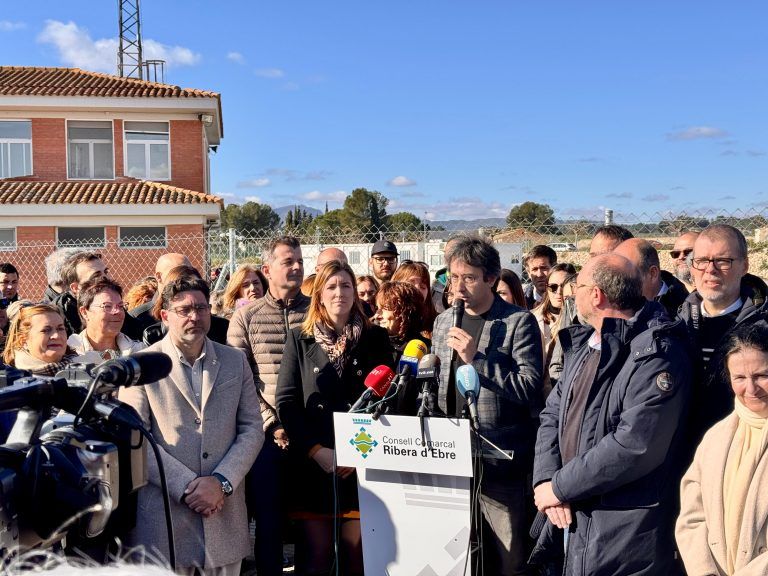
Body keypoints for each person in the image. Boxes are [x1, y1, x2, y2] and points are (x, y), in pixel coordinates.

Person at [531, 253, 691, 575]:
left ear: (596, 295)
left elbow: (634, 445)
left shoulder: (656, 354)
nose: (569, 292)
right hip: (572, 515)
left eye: (578, 285)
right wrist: (546, 481)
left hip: (623, 530)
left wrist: (560, 487)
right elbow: (551, 415)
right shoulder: (585, 342)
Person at [119, 276, 263, 576]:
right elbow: (135, 438)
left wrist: (221, 482)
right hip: (164, 524)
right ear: (165, 315)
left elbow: (251, 428)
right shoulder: (141, 365)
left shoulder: (234, 360)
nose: (195, 316)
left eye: (201, 308)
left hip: (223, 519)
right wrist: (187, 487)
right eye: (184, 310)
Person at [432, 235, 543, 575]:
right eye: (453, 278)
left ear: (491, 278)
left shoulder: (518, 322)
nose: (458, 287)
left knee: (509, 554)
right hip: (451, 452)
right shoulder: (443, 321)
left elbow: (529, 387)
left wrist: (476, 359)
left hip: (499, 459)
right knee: (455, 552)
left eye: (468, 278)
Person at [275, 260, 393, 576]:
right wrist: (317, 451)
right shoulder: (299, 339)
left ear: (355, 292)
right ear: (319, 295)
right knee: (316, 557)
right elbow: (287, 402)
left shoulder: (377, 339)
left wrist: (357, 455)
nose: (339, 292)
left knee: (357, 560)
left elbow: (387, 401)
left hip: (361, 466)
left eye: (345, 285)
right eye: (331, 286)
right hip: (313, 466)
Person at [227, 236, 308, 576]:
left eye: (300, 260)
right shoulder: (246, 319)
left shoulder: (318, 311)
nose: (297, 267)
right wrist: (272, 424)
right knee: (269, 523)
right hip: (266, 438)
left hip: (312, 435)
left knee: (310, 521)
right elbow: (240, 382)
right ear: (267, 269)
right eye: (288, 261)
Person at [676, 322, 768, 576]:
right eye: (739, 378)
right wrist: (703, 570)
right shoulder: (716, 439)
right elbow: (692, 517)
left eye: (762, 375)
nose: (751, 389)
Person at [678, 224, 768, 446]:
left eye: (723, 261)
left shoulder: (763, 331)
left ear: (744, 266)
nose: (710, 270)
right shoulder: (676, 324)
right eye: (701, 261)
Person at [142, 265, 229, 346]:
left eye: (195, 285)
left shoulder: (223, 327)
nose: (195, 317)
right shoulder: (153, 335)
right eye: (184, 310)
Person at [67, 277, 144, 362]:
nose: (117, 311)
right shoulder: (70, 355)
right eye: (107, 306)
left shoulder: (139, 352)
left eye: (121, 306)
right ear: (84, 312)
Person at [614, 238, 689, 318]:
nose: (616, 282)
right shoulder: (611, 305)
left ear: (653, 273)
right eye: (614, 274)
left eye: (625, 275)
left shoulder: (686, 309)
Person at [3, 303, 79, 375]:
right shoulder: (10, 380)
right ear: (23, 341)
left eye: (60, 328)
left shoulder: (84, 366)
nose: (56, 336)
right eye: (46, 330)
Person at [130, 253, 192, 332]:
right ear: (159, 277)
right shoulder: (137, 319)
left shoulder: (200, 313)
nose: (184, 279)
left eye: (189, 273)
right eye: (177, 274)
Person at [374, 281, 431, 363]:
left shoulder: (425, 349)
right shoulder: (372, 344)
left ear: (404, 311)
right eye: (377, 308)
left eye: (385, 308)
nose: (377, 315)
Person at [531, 263, 577, 361]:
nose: (559, 292)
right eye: (553, 286)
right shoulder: (531, 318)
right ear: (547, 288)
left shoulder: (580, 320)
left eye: (564, 286)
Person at [392, 260, 438, 334]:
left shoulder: (438, 323)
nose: (417, 289)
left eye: (423, 286)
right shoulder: (383, 321)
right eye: (411, 283)